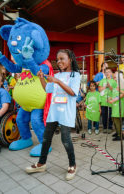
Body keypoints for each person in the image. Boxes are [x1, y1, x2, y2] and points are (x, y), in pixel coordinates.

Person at [25, 49, 80, 181]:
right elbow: (47, 89)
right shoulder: (57, 75)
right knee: (46, 138)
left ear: (70, 60)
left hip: (66, 112)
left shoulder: (75, 75)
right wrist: (41, 78)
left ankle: (73, 165)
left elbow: (73, 93)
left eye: (62, 59)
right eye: (57, 59)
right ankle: (41, 163)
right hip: (54, 111)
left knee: (65, 139)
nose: (59, 62)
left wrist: (57, 81)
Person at [98, 67, 117, 133]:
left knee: (110, 115)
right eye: (106, 72)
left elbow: (115, 91)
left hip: (110, 100)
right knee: (104, 115)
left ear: (111, 73)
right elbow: (99, 89)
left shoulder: (114, 81)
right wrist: (105, 87)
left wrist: (109, 87)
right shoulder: (102, 81)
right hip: (103, 100)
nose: (107, 73)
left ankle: (110, 127)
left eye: (109, 72)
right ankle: (105, 127)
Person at [109, 71, 124, 141]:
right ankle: (117, 132)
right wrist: (111, 99)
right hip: (114, 105)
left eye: (116, 74)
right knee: (114, 118)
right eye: (114, 74)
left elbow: (123, 94)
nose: (114, 75)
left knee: (117, 119)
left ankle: (120, 135)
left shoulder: (122, 84)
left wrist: (114, 100)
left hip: (119, 104)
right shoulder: (115, 83)